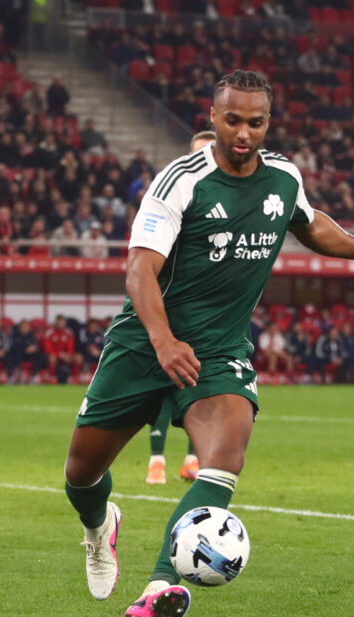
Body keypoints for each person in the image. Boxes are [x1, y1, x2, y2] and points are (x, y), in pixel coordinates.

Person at [61, 70, 354, 617]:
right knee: (80, 474)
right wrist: (164, 341)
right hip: (144, 344)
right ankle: (99, 528)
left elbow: (309, 225)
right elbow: (139, 268)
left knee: (224, 460)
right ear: (214, 116)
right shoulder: (181, 181)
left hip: (219, 352)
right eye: (234, 120)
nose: (244, 133)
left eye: (256, 122)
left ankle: (159, 585)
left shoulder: (283, 177)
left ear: (268, 122)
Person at [145, 130, 215, 486]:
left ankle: (192, 460)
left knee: (199, 382)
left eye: (209, 153)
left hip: (208, 313)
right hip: (170, 306)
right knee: (163, 384)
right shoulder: (171, 195)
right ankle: (156, 460)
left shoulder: (227, 204)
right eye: (196, 154)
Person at [44, 315, 76, 384]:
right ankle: (52, 377)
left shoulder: (68, 332)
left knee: (77, 358)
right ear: (56, 323)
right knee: (52, 358)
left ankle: (72, 377)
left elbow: (70, 347)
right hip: (53, 355)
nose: (60, 325)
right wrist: (59, 354)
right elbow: (48, 349)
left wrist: (68, 354)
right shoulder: (49, 332)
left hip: (65, 355)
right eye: (59, 323)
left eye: (62, 323)